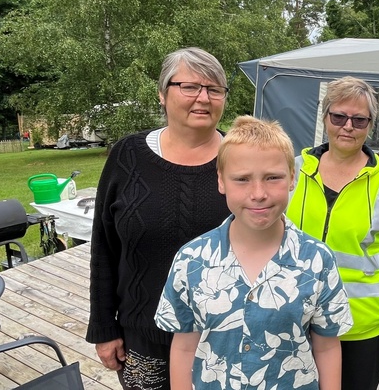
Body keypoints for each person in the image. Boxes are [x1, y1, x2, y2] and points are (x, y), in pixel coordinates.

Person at [155, 116, 353, 390]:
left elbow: (327, 347)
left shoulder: (318, 260)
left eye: (273, 178)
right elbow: (185, 347)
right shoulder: (191, 260)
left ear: (292, 178)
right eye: (242, 179)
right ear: (221, 181)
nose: (258, 193)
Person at [86, 47, 232, 390]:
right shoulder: (128, 156)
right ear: (162, 94)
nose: (203, 98)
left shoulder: (240, 157)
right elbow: (103, 246)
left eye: (214, 89)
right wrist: (104, 328)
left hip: (222, 338)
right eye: (190, 87)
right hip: (142, 336)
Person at [287, 76, 379, 390]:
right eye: (338, 116)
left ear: (371, 126)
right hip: (294, 323)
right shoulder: (294, 170)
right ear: (325, 117)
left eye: (359, 119)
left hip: (364, 327)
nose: (348, 126)